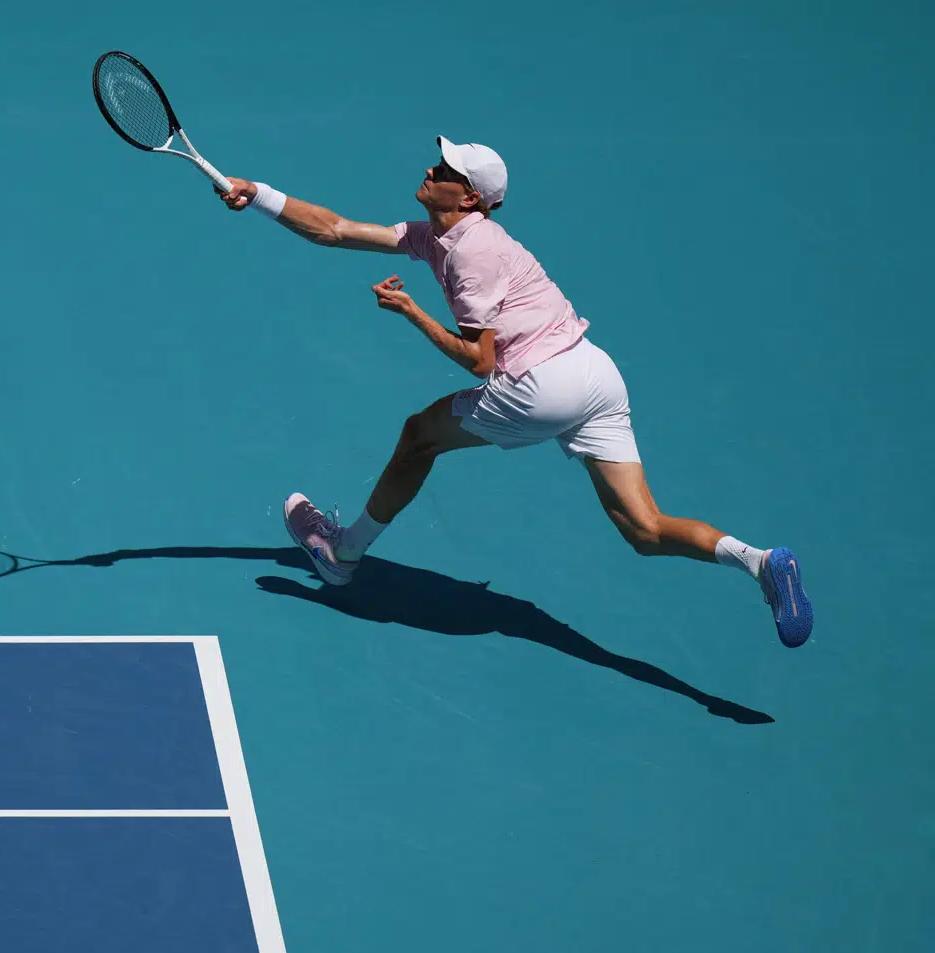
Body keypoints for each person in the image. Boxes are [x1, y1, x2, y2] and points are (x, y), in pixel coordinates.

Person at [215, 137, 812, 648]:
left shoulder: (471, 255)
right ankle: (759, 562)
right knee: (645, 530)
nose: (431, 172)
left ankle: (342, 558)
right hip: (595, 374)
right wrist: (260, 192)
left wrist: (410, 311)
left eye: (446, 173)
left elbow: (479, 362)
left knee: (419, 436)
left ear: (469, 197)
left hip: (542, 386)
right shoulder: (437, 236)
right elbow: (337, 230)